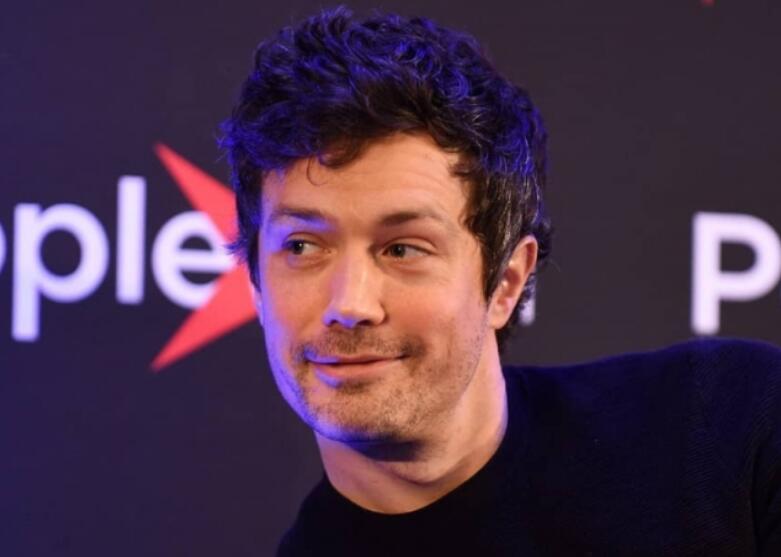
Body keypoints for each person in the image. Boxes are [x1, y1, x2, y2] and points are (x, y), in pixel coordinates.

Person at [221, 7, 781, 556]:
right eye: (302, 247)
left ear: (507, 282)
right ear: (255, 280)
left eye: (402, 249)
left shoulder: (730, 429)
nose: (350, 303)